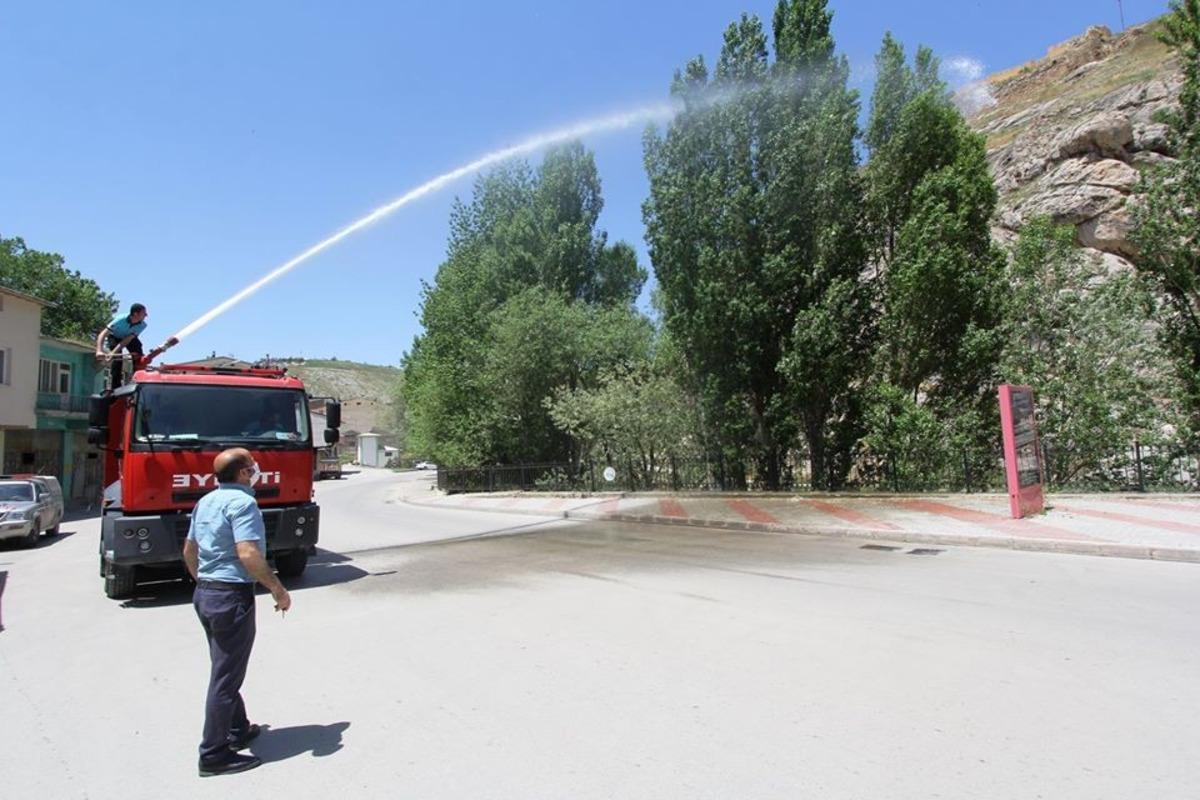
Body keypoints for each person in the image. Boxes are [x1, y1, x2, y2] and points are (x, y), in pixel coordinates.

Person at [181, 447, 292, 777]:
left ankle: (238, 729)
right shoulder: (243, 503)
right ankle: (214, 754)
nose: (256, 471)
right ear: (243, 473)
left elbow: (190, 549)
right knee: (225, 678)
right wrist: (278, 589)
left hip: (207, 594)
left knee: (223, 666)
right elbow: (247, 552)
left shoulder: (206, 502)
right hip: (231, 597)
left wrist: (204, 582)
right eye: (252, 467)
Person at [95, 303, 149, 389]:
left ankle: (138, 379)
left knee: (138, 350)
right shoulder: (120, 320)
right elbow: (103, 334)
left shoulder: (142, 325)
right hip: (114, 337)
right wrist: (99, 350)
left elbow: (126, 340)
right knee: (117, 362)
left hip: (128, 338)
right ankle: (115, 387)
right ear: (136, 314)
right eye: (144, 313)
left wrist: (113, 353)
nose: (146, 315)